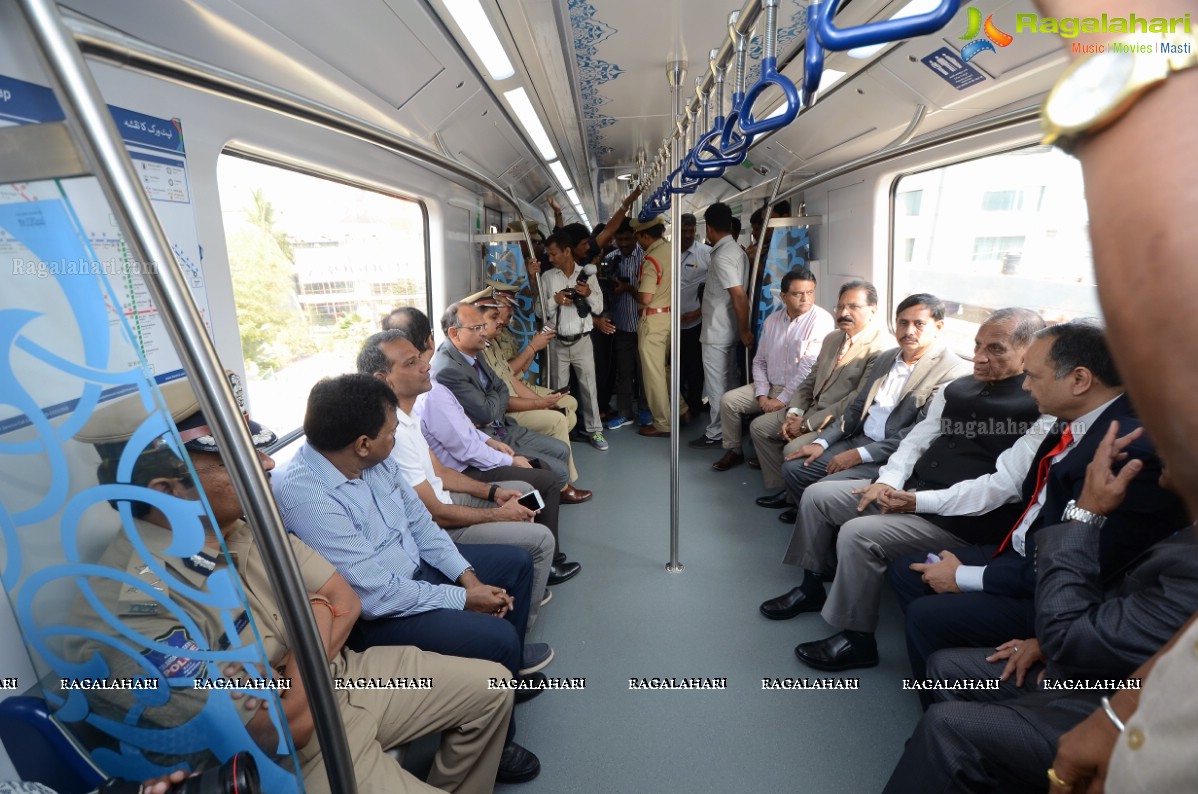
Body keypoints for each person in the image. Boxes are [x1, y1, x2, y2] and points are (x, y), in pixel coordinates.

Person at [74, 377, 512, 794]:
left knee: (494, 687)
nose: (266, 463)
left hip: (343, 681)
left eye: (257, 449)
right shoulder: (133, 608)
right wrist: (316, 618)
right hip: (287, 756)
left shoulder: (242, 528)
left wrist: (300, 655)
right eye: (238, 458)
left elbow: (345, 599)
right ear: (167, 490)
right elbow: (284, 728)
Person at [882, 436, 1198, 793]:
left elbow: (1069, 635)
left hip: (1108, 694)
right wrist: (1044, 643)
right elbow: (1135, 609)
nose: (1163, 440)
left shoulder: (1135, 461)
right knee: (945, 668)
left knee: (945, 726)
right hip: (1102, 662)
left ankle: (958, 753)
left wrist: (1085, 515)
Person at [273, 374, 546, 783]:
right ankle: (499, 741)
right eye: (391, 430)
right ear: (363, 443)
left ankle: (505, 672)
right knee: (498, 638)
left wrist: (467, 579)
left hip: (412, 570)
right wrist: (462, 600)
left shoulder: (372, 462)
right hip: (378, 617)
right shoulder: (308, 498)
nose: (397, 435)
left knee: (517, 564)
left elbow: (421, 525)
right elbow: (375, 594)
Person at [885, 321, 1183, 682]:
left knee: (926, 615)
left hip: (1053, 584)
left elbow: (1086, 562)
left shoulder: (1123, 452)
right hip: (1023, 551)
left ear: (1079, 380)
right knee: (906, 572)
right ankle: (960, 666)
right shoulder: (1076, 418)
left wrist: (963, 576)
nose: (1025, 386)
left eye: (1033, 376)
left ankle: (967, 691)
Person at [762, 308, 1045, 672]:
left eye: (996, 350)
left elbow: (1002, 487)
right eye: (976, 346)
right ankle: (812, 584)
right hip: (912, 493)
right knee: (818, 497)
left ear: (1028, 353)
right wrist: (886, 482)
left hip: (959, 519)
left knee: (859, 534)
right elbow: (915, 441)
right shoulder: (958, 387)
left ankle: (857, 637)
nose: (979, 357)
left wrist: (915, 502)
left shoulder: (1041, 409)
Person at [357, 328, 557, 624]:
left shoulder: (409, 417)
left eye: (419, 358)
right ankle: (520, 625)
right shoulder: (389, 436)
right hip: (443, 525)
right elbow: (435, 515)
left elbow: (440, 472)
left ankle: (524, 583)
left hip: (447, 499)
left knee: (523, 490)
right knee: (541, 539)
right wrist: (502, 514)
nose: (426, 365)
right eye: (411, 363)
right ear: (383, 380)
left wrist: (494, 494)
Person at [379, 306, 584, 578]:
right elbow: (468, 442)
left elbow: (495, 392)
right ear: (434, 338)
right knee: (543, 480)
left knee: (536, 476)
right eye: (412, 363)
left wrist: (493, 464)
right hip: (465, 469)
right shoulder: (429, 396)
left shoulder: (417, 403)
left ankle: (536, 545)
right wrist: (509, 462)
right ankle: (545, 554)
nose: (426, 366)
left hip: (467, 461)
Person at [773, 293, 970, 523]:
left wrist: (858, 455)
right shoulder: (886, 358)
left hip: (890, 454)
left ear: (938, 327)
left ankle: (828, 531)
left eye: (919, 324)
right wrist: (821, 442)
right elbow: (857, 408)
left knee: (823, 488)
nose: (908, 331)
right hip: (858, 437)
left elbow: (917, 433)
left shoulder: (951, 371)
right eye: (903, 323)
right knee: (794, 469)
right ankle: (815, 519)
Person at [750, 280, 891, 505]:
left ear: (872, 311)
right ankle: (785, 489)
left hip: (837, 420)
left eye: (853, 307)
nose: (844, 313)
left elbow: (856, 400)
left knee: (792, 447)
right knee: (759, 427)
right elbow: (810, 379)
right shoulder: (833, 338)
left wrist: (806, 425)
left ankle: (798, 498)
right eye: (840, 306)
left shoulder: (880, 349)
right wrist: (794, 412)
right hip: (809, 408)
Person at [428, 303, 573, 489]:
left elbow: (502, 387)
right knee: (559, 471)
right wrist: (492, 404)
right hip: (487, 438)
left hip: (501, 426)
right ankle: (548, 495)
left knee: (562, 450)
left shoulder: (474, 351)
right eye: (476, 328)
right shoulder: (449, 370)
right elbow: (485, 413)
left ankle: (551, 492)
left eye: (482, 325)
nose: (483, 332)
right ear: (454, 333)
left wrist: (491, 404)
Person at [472, 290, 593, 505]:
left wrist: (544, 404)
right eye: (496, 314)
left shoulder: (495, 340)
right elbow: (505, 394)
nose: (504, 317)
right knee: (557, 420)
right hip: (503, 416)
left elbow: (511, 377)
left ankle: (558, 468)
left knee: (565, 407)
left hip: (509, 401)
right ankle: (564, 485)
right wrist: (532, 348)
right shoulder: (478, 352)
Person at [712, 268, 834, 471]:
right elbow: (759, 361)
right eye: (798, 294)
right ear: (783, 296)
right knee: (729, 401)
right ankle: (735, 450)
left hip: (799, 392)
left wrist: (781, 400)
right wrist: (761, 394)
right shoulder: (772, 321)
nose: (806, 299)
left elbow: (807, 369)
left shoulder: (821, 320)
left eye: (810, 292)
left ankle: (768, 455)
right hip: (769, 385)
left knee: (761, 425)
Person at [689, 202, 752, 450]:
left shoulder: (724, 256)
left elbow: (738, 295)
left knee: (717, 386)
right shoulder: (734, 251)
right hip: (726, 328)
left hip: (718, 331)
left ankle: (716, 432)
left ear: (710, 228)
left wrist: (745, 329)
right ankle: (732, 427)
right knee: (730, 383)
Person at [536, 231, 607, 450]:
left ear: (567, 252)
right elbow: (539, 311)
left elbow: (599, 308)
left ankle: (595, 432)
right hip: (557, 342)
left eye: (554, 254)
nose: (550, 258)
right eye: (549, 254)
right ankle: (562, 430)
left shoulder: (588, 276)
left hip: (582, 341)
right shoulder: (548, 278)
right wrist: (555, 300)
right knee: (558, 390)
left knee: (589, 388)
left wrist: (586, 294)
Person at [600, 219, 647, 430]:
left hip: (644, 325)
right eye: (620, 240)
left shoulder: (646, 258)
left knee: (646, 371)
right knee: (624, 372)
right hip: (621, 325)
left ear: (636, 236)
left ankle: (647, 410)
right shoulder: (610, 259)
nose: (625, 243)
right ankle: (625, 412)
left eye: (628, 238)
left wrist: (628, 288)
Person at [631, 214, 676, 437]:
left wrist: (632, 290)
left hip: (653, 320)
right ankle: (682, 409)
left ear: (645, 237)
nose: (638, 243)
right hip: (670, 317)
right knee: (666, 369)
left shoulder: (652, 259)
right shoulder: (671, 251)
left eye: (639, 238)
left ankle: (663, 423)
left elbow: (646, 297)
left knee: (653, 374)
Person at [677, 212, 711, 427]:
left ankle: (695, 406)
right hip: (670, 323)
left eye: (691, 231)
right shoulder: (667, 253)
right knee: (674, 368)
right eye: (684, 231)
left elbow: (713, 291)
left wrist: (697, 313)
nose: (688, 235)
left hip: (694, 321)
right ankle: (678, 406)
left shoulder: (706, 254)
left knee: (694, 367)